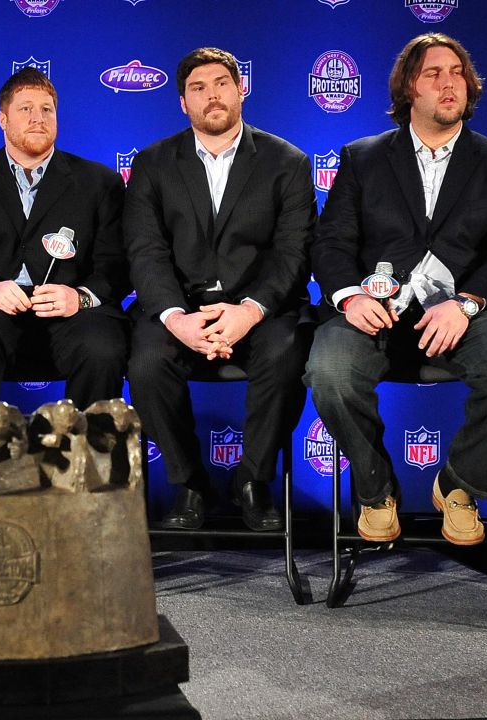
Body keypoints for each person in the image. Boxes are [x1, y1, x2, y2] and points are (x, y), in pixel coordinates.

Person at [305, 33, 487, 546]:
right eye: (433, 73)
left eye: (457, 72)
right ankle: (375, 489)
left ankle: (459, 486)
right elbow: (331, 244)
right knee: (328, 368)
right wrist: (351, 297)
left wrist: (466, 302)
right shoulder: (362, 158)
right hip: (380, 313)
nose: (448, 82)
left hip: (470, 314)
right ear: (408, 88)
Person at [124, 48, 315, 531]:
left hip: (261, 311)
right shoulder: (152, 163)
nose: (213, 95)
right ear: (182, 103)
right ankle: (189, 483)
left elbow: (291, 254)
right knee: (146, 362)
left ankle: (252, 481)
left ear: (240, 89)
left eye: (222, 83)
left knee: (287, 353)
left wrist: (249, 311)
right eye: (198, 87)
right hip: (182, 310)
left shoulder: (286, 161)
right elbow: (146, 252)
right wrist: (175, 317)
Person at [0, 68, 129, 412]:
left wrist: (81, 297)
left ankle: (90, 462)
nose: (38, 118)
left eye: (47, 109)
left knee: (102, 345)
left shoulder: (100, 182)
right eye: (26, 108)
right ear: (2, 119)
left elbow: (117, 265)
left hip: (73, 313)